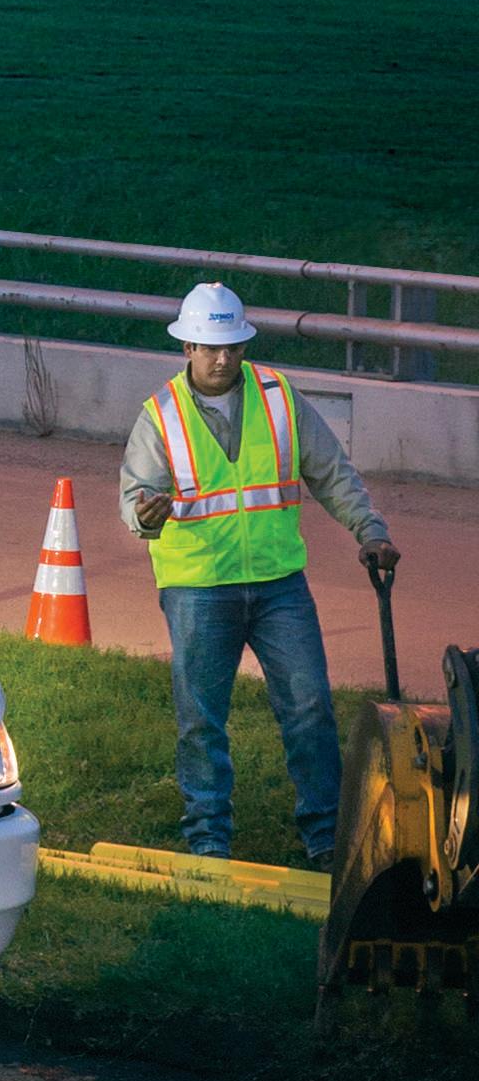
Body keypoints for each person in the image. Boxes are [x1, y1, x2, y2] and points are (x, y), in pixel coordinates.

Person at [121, 282, 395, 869]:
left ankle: (328, 837)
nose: (223, 359)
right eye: (211, 348)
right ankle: (208, 837)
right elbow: (134, 498)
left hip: (278, 586)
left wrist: (369, 530)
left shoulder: (278, 398)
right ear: (188, 346)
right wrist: (145, 514)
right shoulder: (159, 416)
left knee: (309, 708)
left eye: (233, 347)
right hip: (197, 587)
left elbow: (330, 471)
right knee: (201, 719)